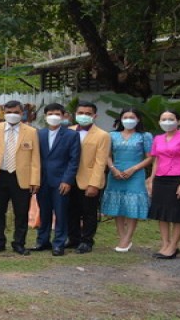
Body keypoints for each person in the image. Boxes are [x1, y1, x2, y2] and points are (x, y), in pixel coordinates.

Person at [0, 100, 40, 255]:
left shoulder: (31, 131)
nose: (12, 115)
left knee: (21, 212)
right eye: (8, 112)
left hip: (21, 177)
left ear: (22, 113)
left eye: (15, 112)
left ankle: (19, 243)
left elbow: (35, 158)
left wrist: (35, 180)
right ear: (3, 113)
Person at [32, 103, 80, 256]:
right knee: (44, 212)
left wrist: (67, 180)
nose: (54, 117)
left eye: (57, 114)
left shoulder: (71, 135)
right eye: (50, 114)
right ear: (45, 116)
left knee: (61, 213)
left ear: (63, 116)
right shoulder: (39, 134)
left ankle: (59, 243)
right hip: (42, 180)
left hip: (61, 181)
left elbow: (74, 160)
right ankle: (42, 240)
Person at [147, 110, 180, 259]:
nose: (167, 122)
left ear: (178, 121)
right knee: (161, 213)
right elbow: (156, 160)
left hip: (178, 177)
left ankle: (173, 246)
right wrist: (151, 178)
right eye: (164, 119)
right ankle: (165, 243)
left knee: (177, 214)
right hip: (161, 178)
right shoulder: (158, 138)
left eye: (171, 119)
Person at [101, 108, 152, 252]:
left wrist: (134, 169)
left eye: (132, 117)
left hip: (135, 174)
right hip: (115, 173)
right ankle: (122, 237)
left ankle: (127, 237)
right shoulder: (112, 135)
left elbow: (150, 157)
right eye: (125, 117)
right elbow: (107, 155)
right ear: (120, 119)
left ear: (138, 119)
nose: (129, 120)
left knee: (132, 205)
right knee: (118, 205)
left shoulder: (145, 136)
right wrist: (112, 168)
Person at [67, 101, 110, 254]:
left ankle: (86, 241)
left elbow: (100, 162)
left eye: (88, 114)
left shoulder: (102, 135)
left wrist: (94, 184)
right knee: (71, 211)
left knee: (89, 212)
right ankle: (73, 238)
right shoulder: (68, 131)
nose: (84, 116)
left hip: (89, 180)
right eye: (81, 113)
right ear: (75, 115)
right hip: (69, 179)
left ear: (94, 116)